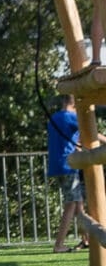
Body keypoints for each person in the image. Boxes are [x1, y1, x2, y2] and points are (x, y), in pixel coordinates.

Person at [47, 94, 88, 253]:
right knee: (71, 205)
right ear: (75, 104)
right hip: (68, 165)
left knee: (78, 204)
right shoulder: (71, 117)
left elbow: (66, 140)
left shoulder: (54, 118)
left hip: (57, 165)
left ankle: (86, 239)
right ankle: (59, 245)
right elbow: (89, 133)